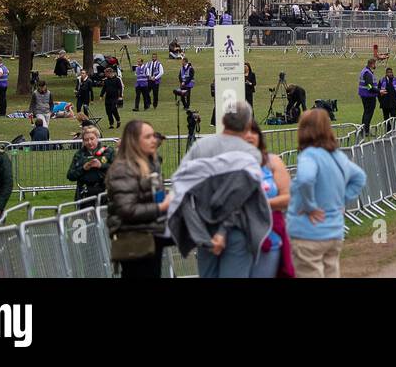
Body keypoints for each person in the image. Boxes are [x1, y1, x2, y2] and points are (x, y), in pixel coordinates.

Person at [167, 101, 270, 279]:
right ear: (247, 123)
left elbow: (182, 188)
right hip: (237, 230)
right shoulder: (251, 154)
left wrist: (200, 233)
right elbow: (239, 200)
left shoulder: (200, 146)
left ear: (222, 119)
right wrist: (223, 232)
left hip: (205, 229)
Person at [287, 107, 367, 278]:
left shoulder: (309, 155)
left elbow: (306, 178)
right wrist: (343, 200)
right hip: (334, 231)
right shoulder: (338, 156)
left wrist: (310, 206)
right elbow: (359, 177)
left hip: (308, 233)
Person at [106, 120, 173, 278]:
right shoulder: (123, 169)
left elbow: (152, 196)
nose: (154, 140)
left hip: (152, 236)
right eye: (148, 136)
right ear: (134, 141)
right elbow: (126, 209)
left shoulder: (149, 165)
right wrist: (161, 207)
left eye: (154, 136)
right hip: (135, 241)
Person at [244, 120, 294, 278]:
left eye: (253, 131)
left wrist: (262, 204)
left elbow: (287, 197)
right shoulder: (227, 163)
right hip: (239, 236)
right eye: (244, 132)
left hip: (270, 234)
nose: (249, 136)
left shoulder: (272, 162)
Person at [67, 124, 114, 201]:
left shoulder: (108, 151)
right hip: (84, 195)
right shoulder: (79, 154)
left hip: (104, 193)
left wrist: (101, 166)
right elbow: (70, 176)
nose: (89, 142)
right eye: (86, 140)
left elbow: (118, 170)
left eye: (92, 139)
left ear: (97, 138)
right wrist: (83, 168)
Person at [358, 58, 378, 135]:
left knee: (366, 112)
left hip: (365, 95)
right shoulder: (367, 73)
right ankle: (365, 130)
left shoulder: (365, 71)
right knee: (368, 113)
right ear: (371, 64)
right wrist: (378, 91)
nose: (375, 65)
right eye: (374, 64)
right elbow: (369, 86)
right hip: (369, 96)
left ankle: (363, 129)